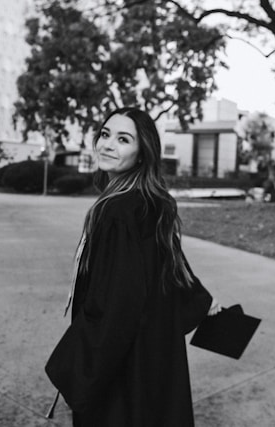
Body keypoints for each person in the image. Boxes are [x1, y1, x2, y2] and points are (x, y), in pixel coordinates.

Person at [45, 107, 220, 426]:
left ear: (142, 154)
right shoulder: (148, 202)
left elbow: (116, 302)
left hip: (123, 362)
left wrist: (82, 370)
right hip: (151, 354)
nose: (108, 145)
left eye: (123, 139)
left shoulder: (118, 211)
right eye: (105, 134)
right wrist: (199, 299)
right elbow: (168, 266)